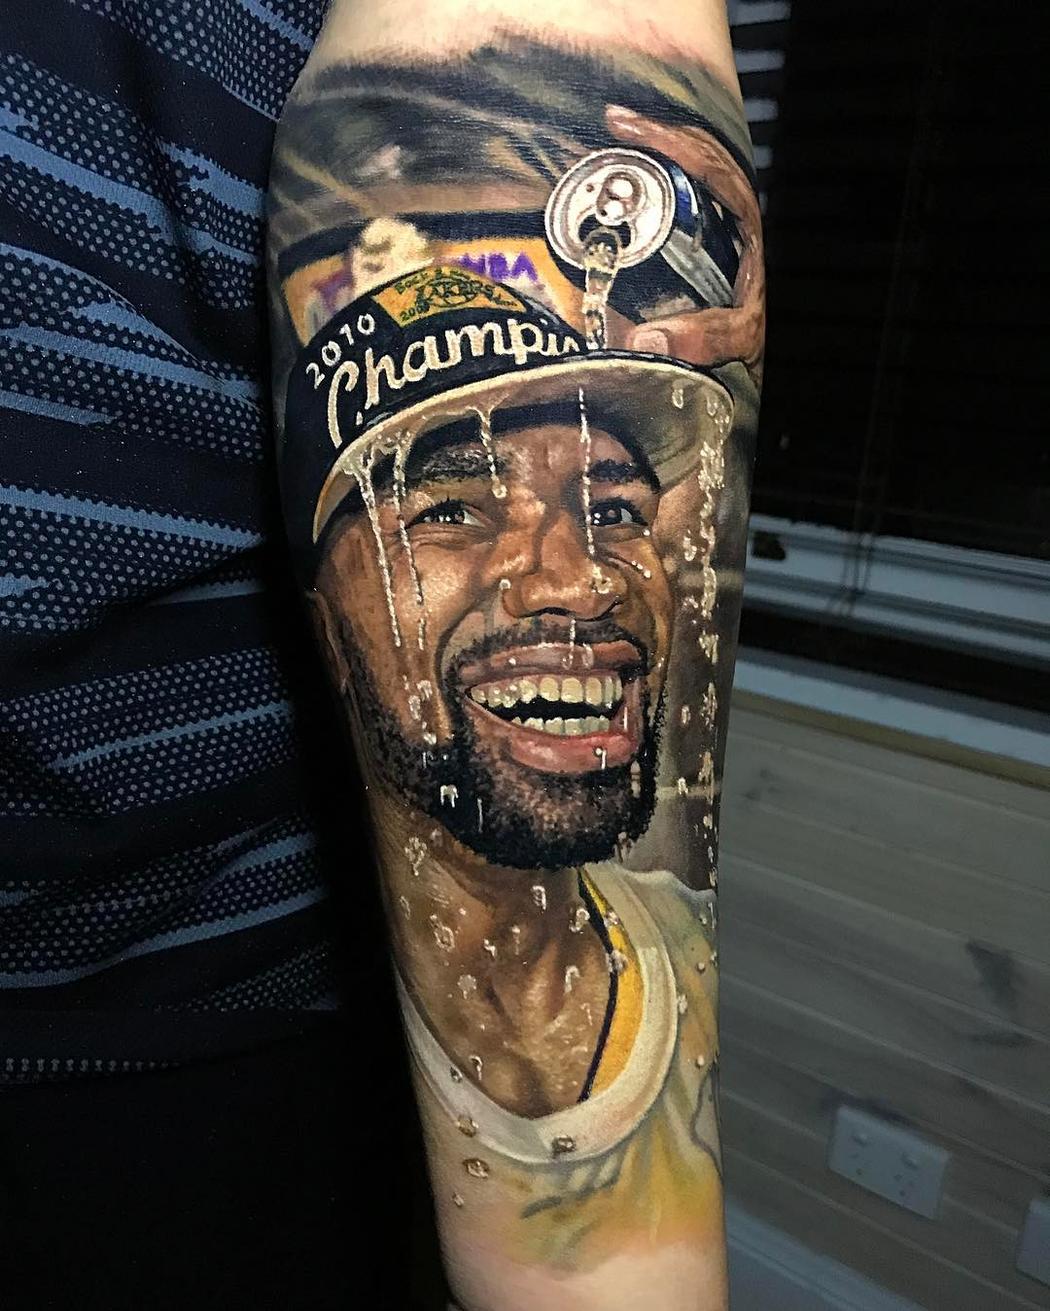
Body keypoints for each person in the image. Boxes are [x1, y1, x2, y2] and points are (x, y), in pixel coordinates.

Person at [270, 3, 764, 1306]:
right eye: (449, 507)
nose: (578, 578)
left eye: (614, 506)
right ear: (325, 620)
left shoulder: (664, 960)